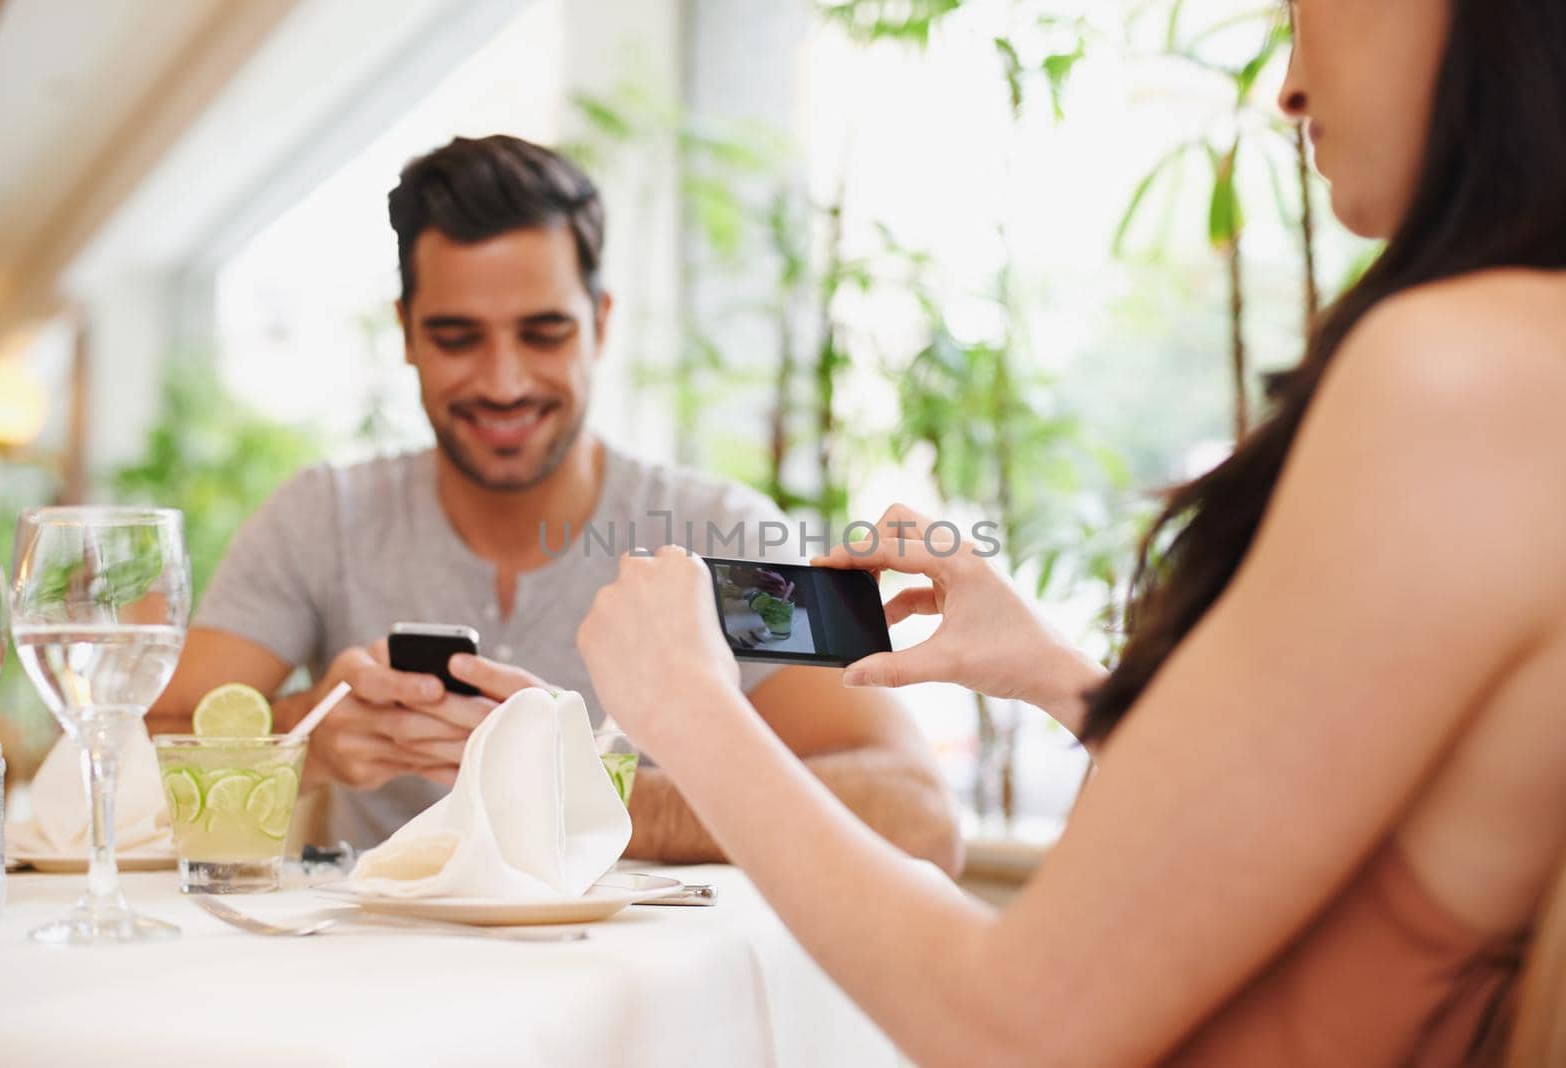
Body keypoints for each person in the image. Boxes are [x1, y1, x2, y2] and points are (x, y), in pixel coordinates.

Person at [575, 1, 1566, 1064]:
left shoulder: (1460, 375)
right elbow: (1351, 849)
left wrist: (688, 711)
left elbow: (1016, 1027)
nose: (1287, 84)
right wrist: (1060, 681)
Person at [149, 135, 961, 870]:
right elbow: (118, 755)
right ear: (405, 333)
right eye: (457, 337)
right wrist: (306, 743)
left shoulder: (725, 534)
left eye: (543, 334)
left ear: (600, 325)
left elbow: (918, 816)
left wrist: (588, 800)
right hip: (383, 1009)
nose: (503, 382)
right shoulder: (324, 520)